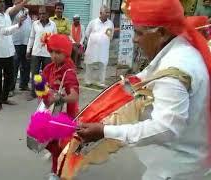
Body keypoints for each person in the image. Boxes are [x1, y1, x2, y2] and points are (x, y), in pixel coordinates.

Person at [77, 0, 211, 179]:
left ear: (162, 33)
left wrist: (105, 131)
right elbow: (146, 76)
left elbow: (165, 128)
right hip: (185, 162)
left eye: (138, 32)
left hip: (175, 170)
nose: (134, 39)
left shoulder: (174, 69)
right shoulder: (180, 50)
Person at [43, 34, 79, 180]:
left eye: (58, 52)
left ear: (66, 53)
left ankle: (56, 172)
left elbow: (74, 96)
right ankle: (58, 161)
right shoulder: (50, 68)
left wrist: (58, 98)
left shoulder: (68, 72)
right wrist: (43, 91)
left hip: (65, 115)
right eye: (51, 51)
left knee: (59, 145)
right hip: (51, 112)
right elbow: (43, 86)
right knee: (47, 141)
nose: (54, 56)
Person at [0, 0, 26, 114]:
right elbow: (3, 31)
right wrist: (18, 25)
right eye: (0, 2)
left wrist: (17, 25)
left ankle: (4, 98)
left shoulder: (6, 16)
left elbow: (9, 33)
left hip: (9, 51)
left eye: (3, 2)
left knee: (9, 77)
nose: (3, 4)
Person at [26, 6, 57, 101]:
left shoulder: (53, 25)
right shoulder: (35, 24)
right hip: (36, 52)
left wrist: (54, 53)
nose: (41, 15)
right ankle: (33, 93)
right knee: (35, 74)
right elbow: (31, 37)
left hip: (48, 53)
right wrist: (28, 50)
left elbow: (55, 39)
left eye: (43, 13)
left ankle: (44, 93)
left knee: (46, 74)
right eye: (40, 14)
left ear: (48, 14)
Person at [84, 5, 114, 88]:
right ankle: (88, 81)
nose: (108, 14)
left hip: (103, 48)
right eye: (106, 12)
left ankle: (100, 82)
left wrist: (102, 40)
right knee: (89, 64)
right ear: (100, 13)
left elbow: (110, 35)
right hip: (92, 47)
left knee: (103, 64)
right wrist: (95, 40)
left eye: (109, 12)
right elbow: (87, 33)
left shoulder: (110, 23)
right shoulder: (93, 22)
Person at [6, 0, 32, 96]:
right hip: (15, 42)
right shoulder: (11, 9)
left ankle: (24, 84)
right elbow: (13, 12)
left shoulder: (26, 11)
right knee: (14, 65)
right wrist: (24, 2)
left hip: (26, 42)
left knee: (26, 65)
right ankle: (10, 88)